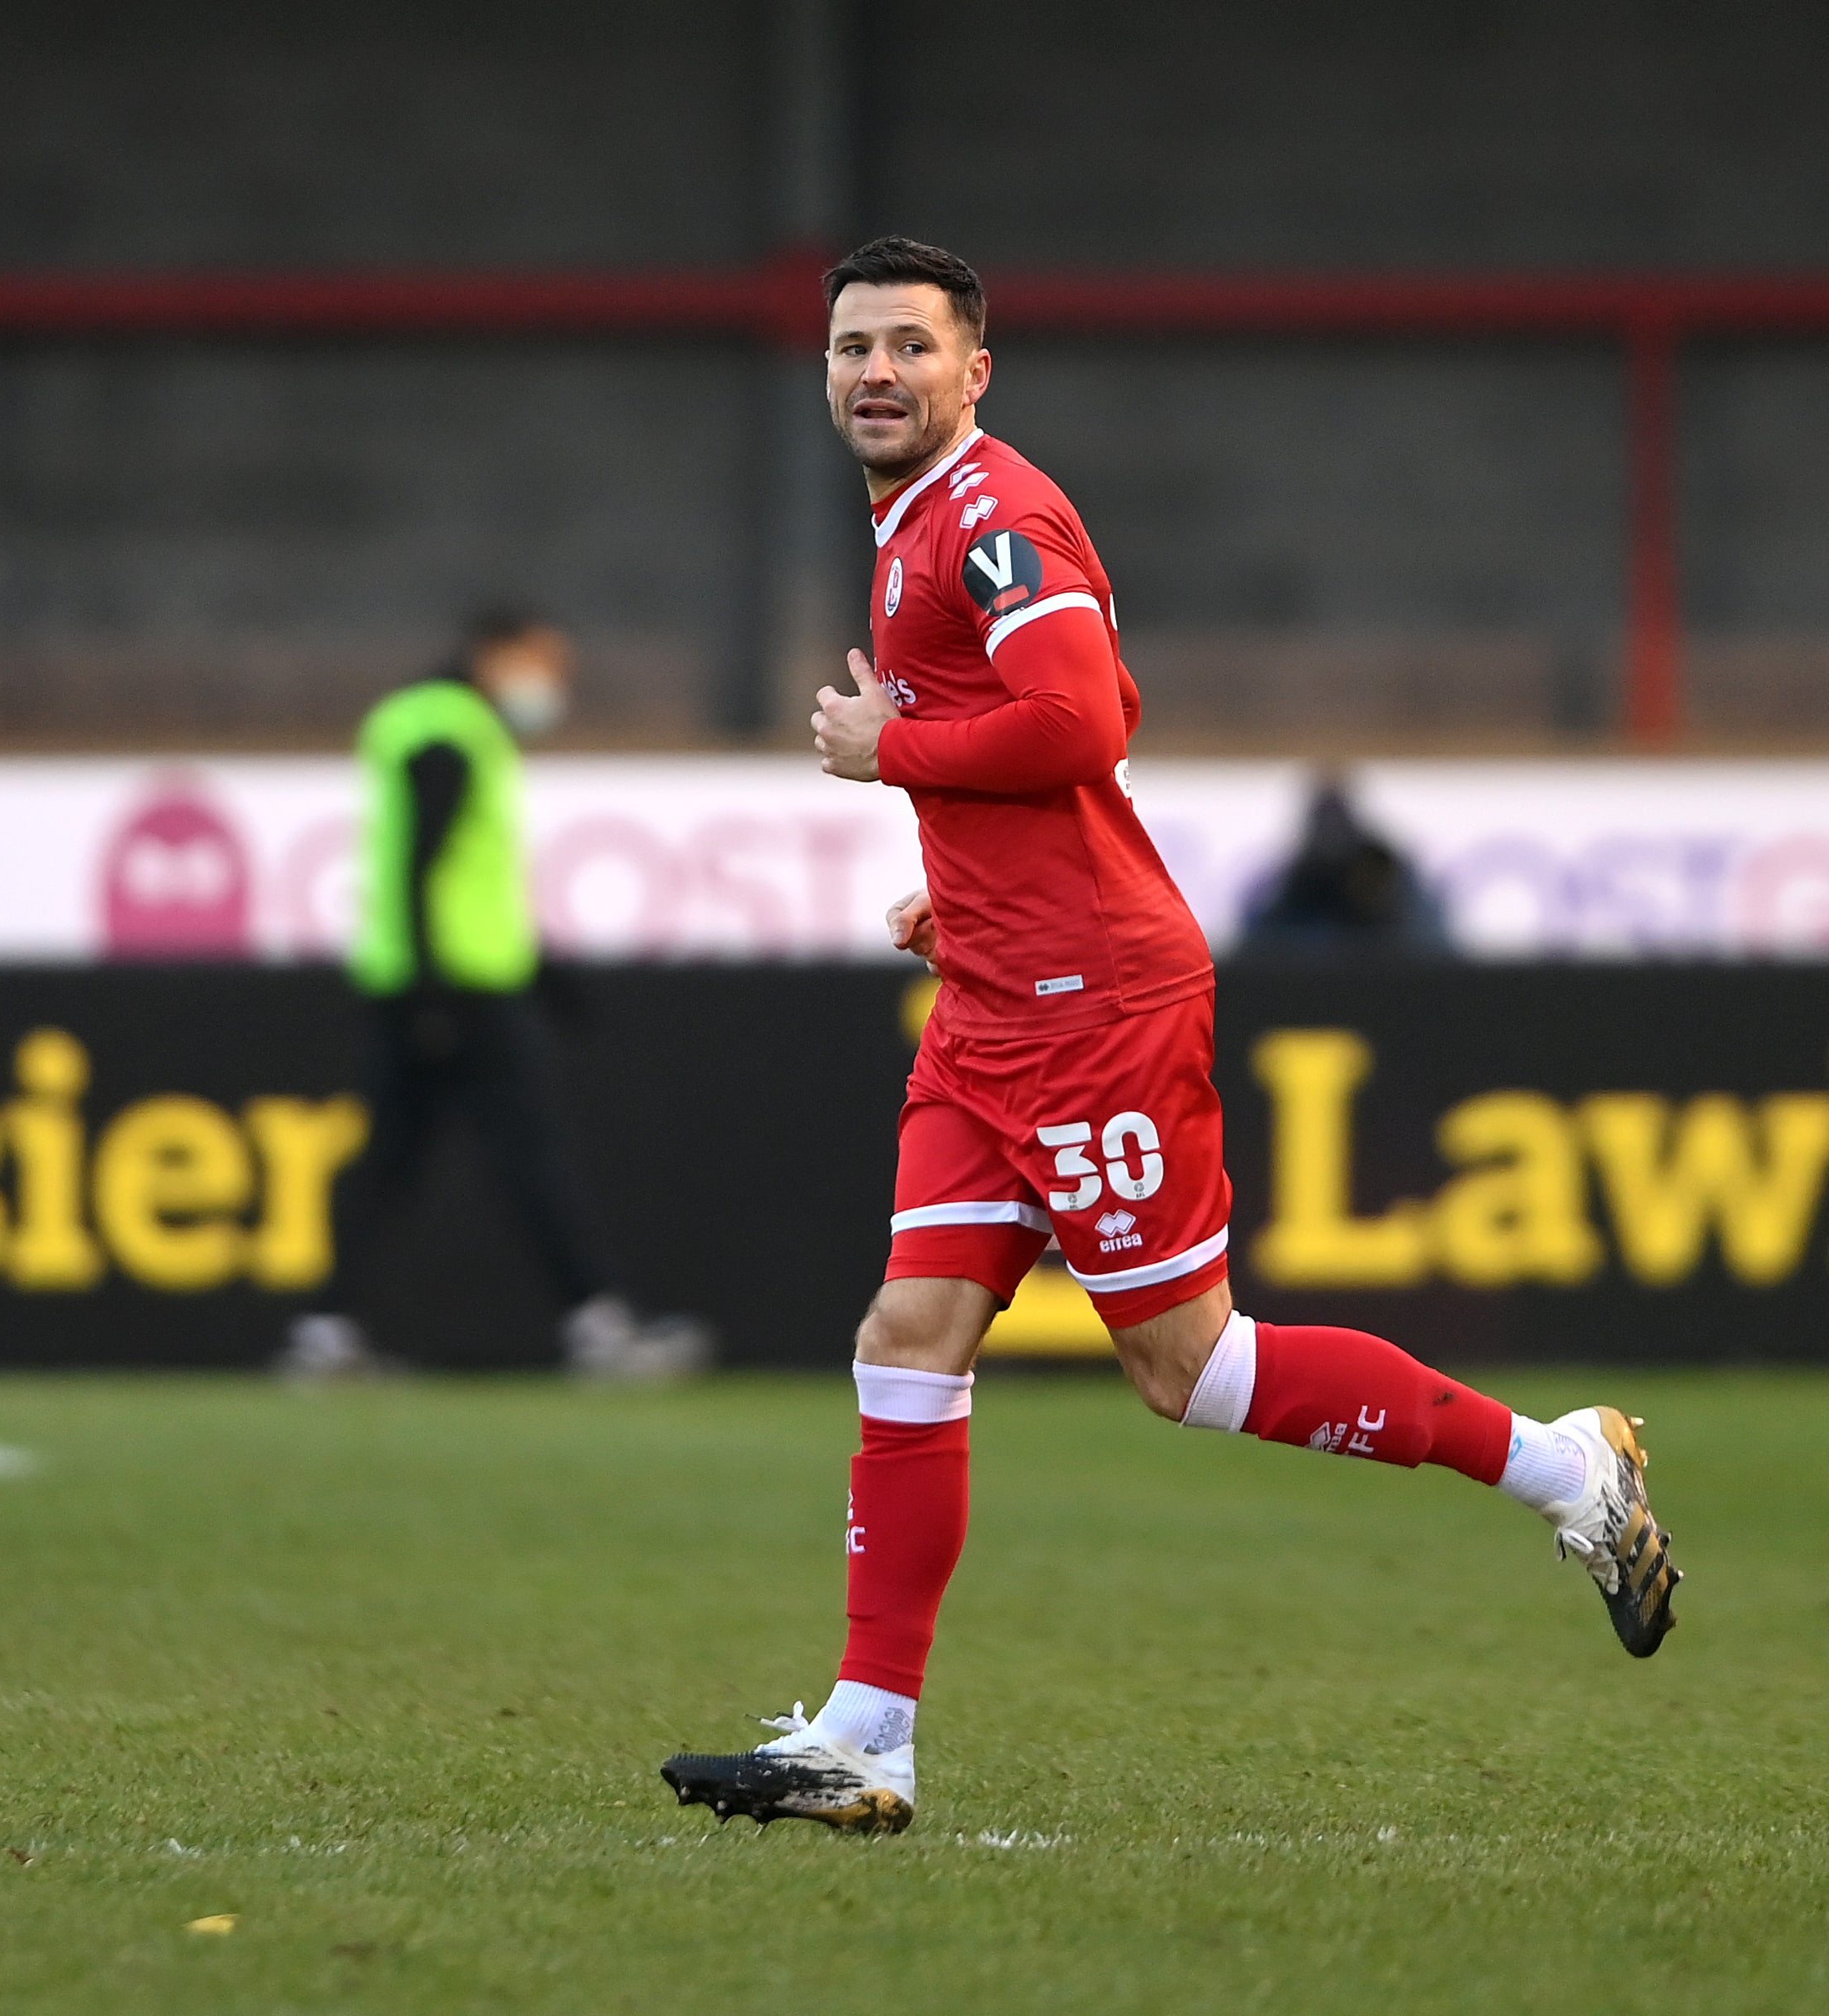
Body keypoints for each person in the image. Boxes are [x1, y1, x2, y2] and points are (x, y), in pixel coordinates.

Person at [659, 238, 1680, 1836]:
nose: (874, 372)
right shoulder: (916, 522)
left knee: (1188, 1369)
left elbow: (1085, 717)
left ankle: (1564, 1469)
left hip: (1089, 1013)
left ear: (973, 370)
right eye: (852, 346)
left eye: (910, 347)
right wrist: (962, 896)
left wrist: (890, 750)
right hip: (997, 998)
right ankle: (869, 1736)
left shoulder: (991, 515)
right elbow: (1051, 760)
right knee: (907, 1340)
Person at [277, 611, 714, 1383]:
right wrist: (436, 996)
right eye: (541, 662)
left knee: (389, 1165)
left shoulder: (412, 718)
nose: (551, 683)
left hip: (420, 982)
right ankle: (600, 1323)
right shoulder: (455, 729)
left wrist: (540, 974)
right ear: (494, 653)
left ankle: (326, 1330)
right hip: (460, 991)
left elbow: (458, 879)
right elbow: (422, 868)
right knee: (527, 1158)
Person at [1238, 777, 1449, 956]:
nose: (1332, 841)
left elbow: (1431, 945)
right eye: (1325, 827)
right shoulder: (1296, 881)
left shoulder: (1386, 870)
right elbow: (1260, 948)